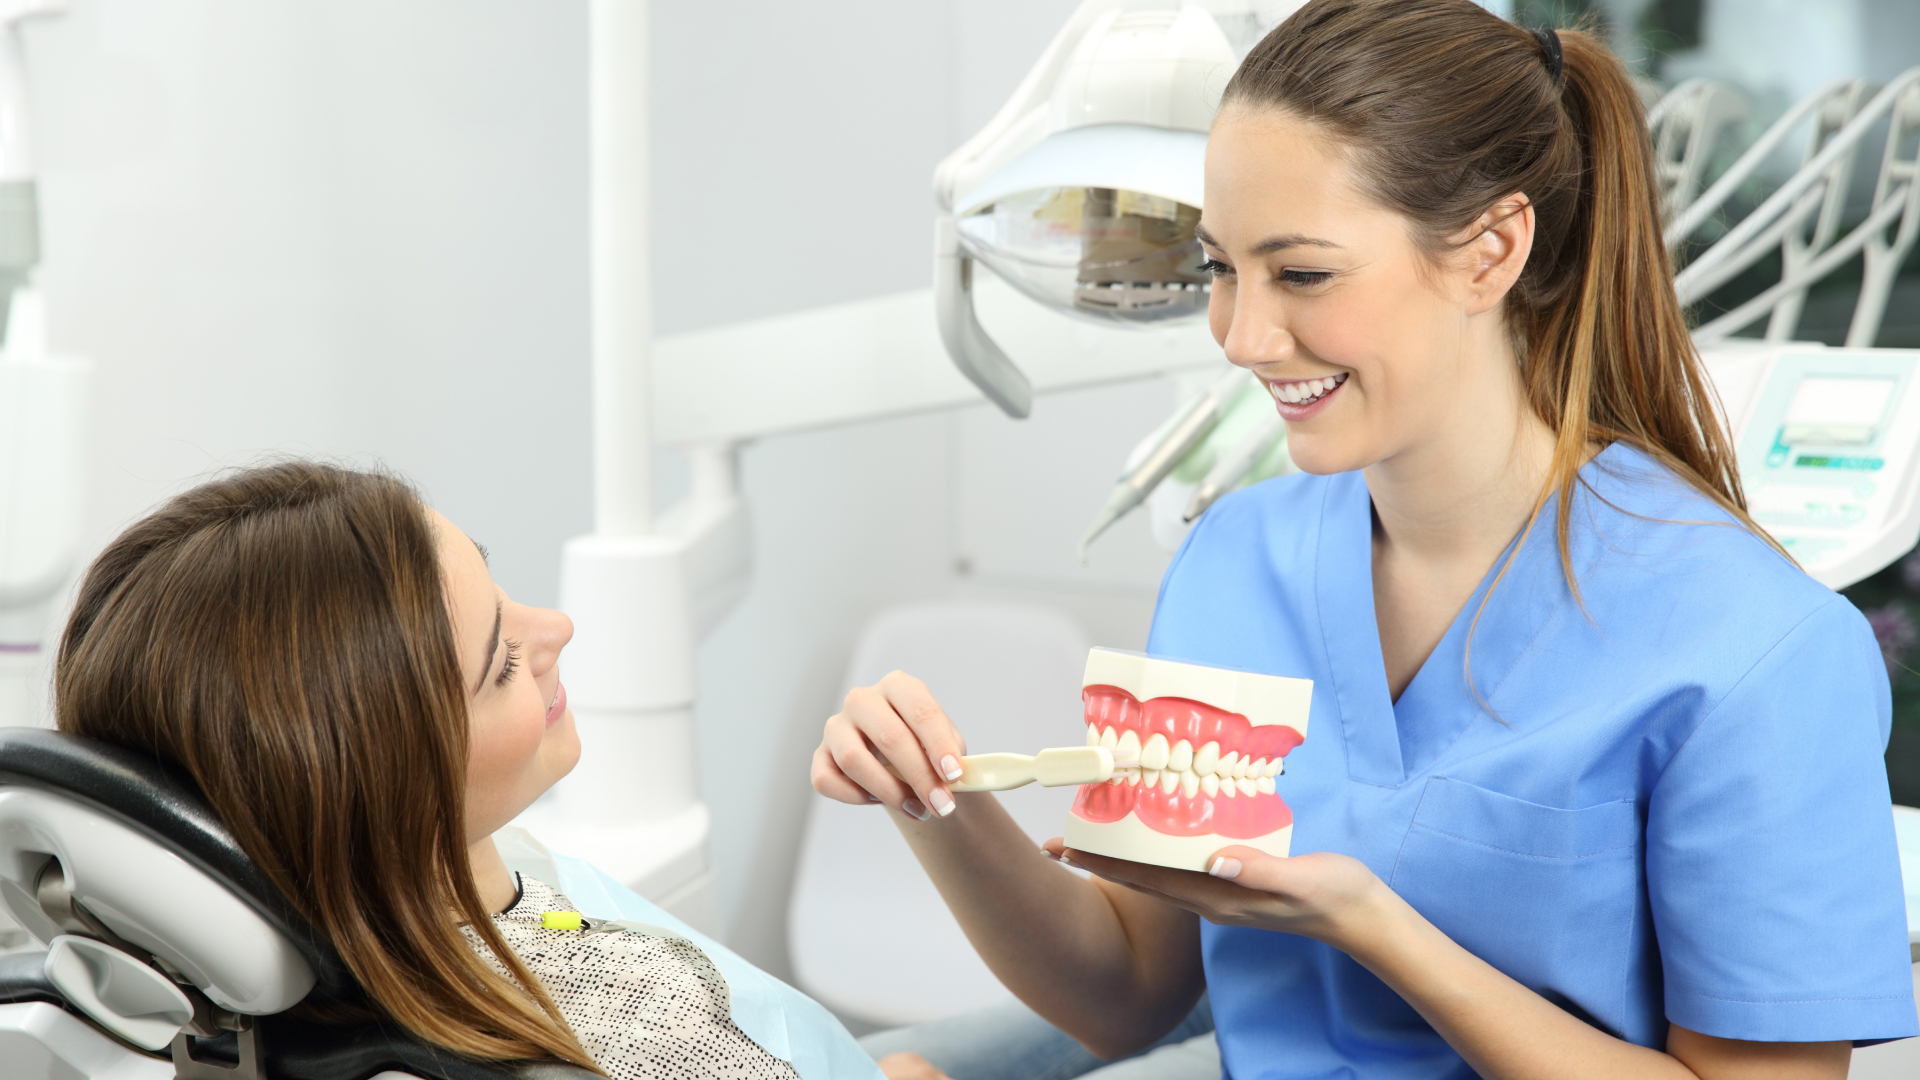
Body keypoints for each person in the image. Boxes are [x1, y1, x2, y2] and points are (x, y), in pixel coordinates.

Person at [812, 2, 1918, 1078]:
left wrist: (1375, 927)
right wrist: (939, 805)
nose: (1245, 337)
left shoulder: (1755, 650)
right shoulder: (1236, 558)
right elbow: (1126, 995)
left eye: (1302, 274)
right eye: (1220, 268)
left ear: (1492, 250)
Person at [53, 461, 921, 1080]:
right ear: (387, 791)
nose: (557, 630)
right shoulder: (637, 1028)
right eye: (501, 663)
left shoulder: (242, 995)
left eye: (501, 598)